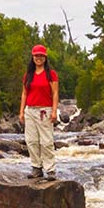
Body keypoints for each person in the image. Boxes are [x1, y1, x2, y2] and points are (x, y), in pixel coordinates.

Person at [18, 44, 59, 179]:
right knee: (31, 141)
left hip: (45, 111)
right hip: (30, 110)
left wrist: (54, 111)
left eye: (41, 55)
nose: (39, 58)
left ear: (45, 57)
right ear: (33, 57)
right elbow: (24, 93)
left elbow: (55, 93)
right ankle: (36, 168)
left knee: (46, 141)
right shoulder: (28, 75)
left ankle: (50, 170)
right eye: (36, 55)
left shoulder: (51, 74)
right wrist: (22, 112)